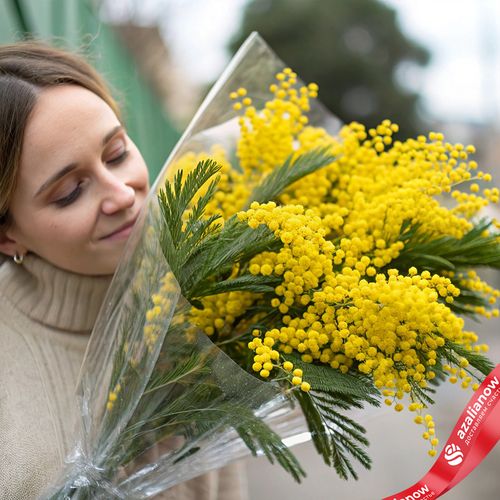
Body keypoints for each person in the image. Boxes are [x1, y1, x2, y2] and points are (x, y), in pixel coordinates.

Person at [0, 41, 245, 499]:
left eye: (116, 154)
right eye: (70, 192)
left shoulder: (206, 276)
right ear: (8, 236)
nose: (123, 195)